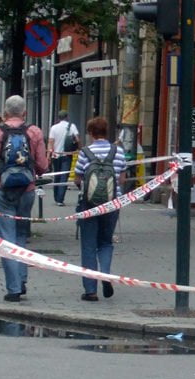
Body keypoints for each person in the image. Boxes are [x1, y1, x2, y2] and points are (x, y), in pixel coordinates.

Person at [0, 95, 48, 301]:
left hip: (2, 189)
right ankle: (22, 279)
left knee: (6, 238)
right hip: (27, 190)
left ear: (6, 112)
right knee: (21, 235)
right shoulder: (34, 131)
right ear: (24, 113)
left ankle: (13, 288)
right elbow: (43, 166)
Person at [74, 116, 127, 302]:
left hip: (89, 205)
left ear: (91, 133)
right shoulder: (118, 151)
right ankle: (105, 274)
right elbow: (121, 180)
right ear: (106, 132)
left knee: (88, 245)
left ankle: (90, 290)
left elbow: (78, 179)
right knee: (105, 242)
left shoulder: (85, 152)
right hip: (112, 205)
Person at [47, 110, 79, 206]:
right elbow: (77, 139)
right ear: (67, 117)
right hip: (67, 154)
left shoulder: (54, 128)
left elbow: (51, 142)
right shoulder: (72, 126)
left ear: (58, 118)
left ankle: (56, 197)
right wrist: (78, 148)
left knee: (57, 175)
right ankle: (60, 199)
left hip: (56, 155)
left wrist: (48, 155)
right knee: (64, 177)